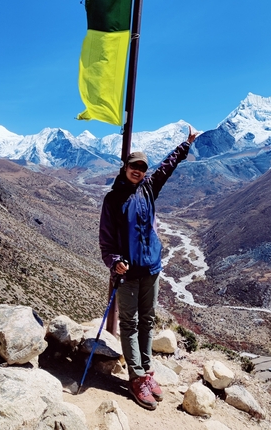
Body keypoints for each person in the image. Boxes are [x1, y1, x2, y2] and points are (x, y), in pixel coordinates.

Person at [99, 126, 198, 410]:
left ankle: (146, 369)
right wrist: (115, 262)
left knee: (148, 321)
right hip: (127, 274)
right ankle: (137, 378)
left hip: (151, 268)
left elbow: (167, 167)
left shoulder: (148, 188)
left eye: (142, 168)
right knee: (129, 324)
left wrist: (186, 144)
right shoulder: (113, 199)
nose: (138, 172)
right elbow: (106, 241)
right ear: (125, 167)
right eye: (134, 167)